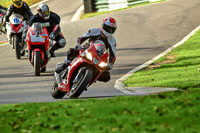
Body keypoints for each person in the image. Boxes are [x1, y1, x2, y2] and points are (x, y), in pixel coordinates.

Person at [54, 17, 117, 86]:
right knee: (72, 51)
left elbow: (113, 55)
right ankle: (63, 66)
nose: (109, 31)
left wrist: (110, 64)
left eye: (112, 29)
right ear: (103, 26)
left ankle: (88, 80)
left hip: (98, 58)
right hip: (87, 50)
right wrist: (78, 45)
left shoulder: (112, 41)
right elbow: (81, 38)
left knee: (106, 76)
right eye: (108, 28)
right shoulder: (94, 31)